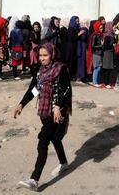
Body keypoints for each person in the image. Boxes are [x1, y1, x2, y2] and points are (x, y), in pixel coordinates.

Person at [14, 43, 72, 191]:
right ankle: (64, 163)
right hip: (45, 111)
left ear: (52, 54)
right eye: (40, 55)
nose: (42, 58)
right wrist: (22, 104)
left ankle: (34, 179)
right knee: (54, 138)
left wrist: (59, 106)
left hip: (57, 111)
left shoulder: (61, 69)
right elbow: (34, 90)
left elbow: (67, 90)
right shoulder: (40, 71)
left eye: (45, 55)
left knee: (43, 140)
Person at [88, 21, 104, 88]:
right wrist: (101, 45)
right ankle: (94, 82)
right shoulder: (95, 35)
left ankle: (96, 81)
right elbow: (93, 46)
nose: (101, 29)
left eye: (102, 28)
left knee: (99, 68)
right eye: (100, 28)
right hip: (96, 54)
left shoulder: (100, 35)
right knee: (97, 68)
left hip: (99, 53)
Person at [102, 22, 116, 89]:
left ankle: (108, 82)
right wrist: (112, 45)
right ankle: (106, 83)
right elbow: (105, 46)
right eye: (114, 26)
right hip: (107, 53)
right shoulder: (107, 36)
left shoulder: (112, 35)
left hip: (110, 53)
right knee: (107, 68)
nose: (115, 28)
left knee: (109, 68)